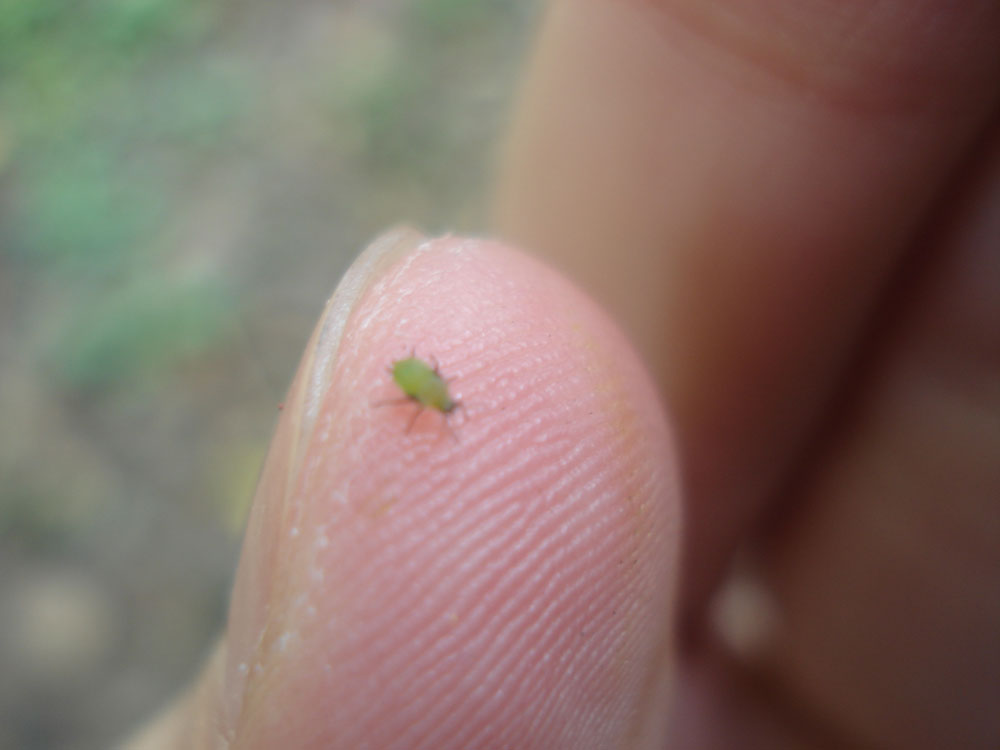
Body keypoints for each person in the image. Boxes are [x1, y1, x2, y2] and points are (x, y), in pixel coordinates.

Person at [126, 1, 1000, 747]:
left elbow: (425, 381)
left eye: (441, 395)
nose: (441, 401)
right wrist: (422, 386)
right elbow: (419, 380)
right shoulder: (422, 389)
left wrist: (428, 387)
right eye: (439, 394)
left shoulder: (429, 391)